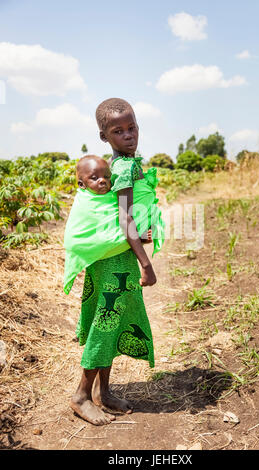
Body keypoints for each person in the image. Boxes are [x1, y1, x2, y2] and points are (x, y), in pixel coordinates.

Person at [67, 98, 164, 425]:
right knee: (105, 324)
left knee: (112, 322)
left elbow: (120, 217)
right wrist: (146, 264)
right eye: (118, 131)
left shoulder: (122, 162)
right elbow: (125, 220)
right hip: (114, 263)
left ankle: (103, 393)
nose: (128, 135)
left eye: (132, 127)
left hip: (114, 256)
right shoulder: (122, 167)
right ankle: (82, 396)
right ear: (104, 136)